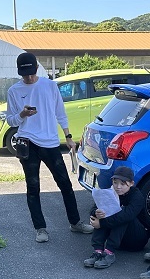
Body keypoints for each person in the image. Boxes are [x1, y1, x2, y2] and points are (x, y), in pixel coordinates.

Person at [6, 52, 93, 243]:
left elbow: (60, 112)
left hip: (50, 142)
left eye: (31, 73)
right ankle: (40, 228)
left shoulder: (50, 85)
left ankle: (75, 222)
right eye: (25, 75)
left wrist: (68, 136)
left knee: (65, 184)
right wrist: (22, 114)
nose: (29, 78)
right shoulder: (14, 91)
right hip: (27, 142)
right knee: (33, 186)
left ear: (37, 69)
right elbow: (11, 120)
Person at [83, 166, 150, 269]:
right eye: (115, 183)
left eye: (122, 184)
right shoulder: (110, 192)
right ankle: (98, 251)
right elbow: (94, 207)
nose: (118, 187)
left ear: (131, 183)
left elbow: (126, 216)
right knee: (104, 212)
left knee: (121, 214)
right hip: (120, 241)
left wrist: (101, 223)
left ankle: (109, 252)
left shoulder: (137, 196)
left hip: (136, 239)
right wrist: (96, 213)